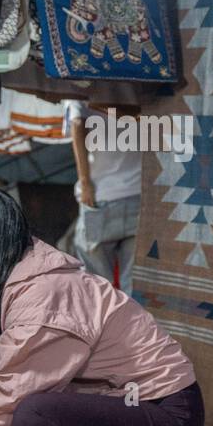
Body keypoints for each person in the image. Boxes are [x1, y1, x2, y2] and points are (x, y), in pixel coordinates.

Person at [0, 187, 203, 426]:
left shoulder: (41, 296)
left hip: (164, 411)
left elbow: (8, 400)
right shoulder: (15, 276)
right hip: (118, 403)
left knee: (32, 417)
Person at [67, 100, 141, 293]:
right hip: (137, 195)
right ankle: (131, 323)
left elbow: (76, 124)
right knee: (133, 283)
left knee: (98, 286)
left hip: (99, 197)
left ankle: (105, 323)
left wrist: (84, 182)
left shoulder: (78, 86)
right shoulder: (138, 87)